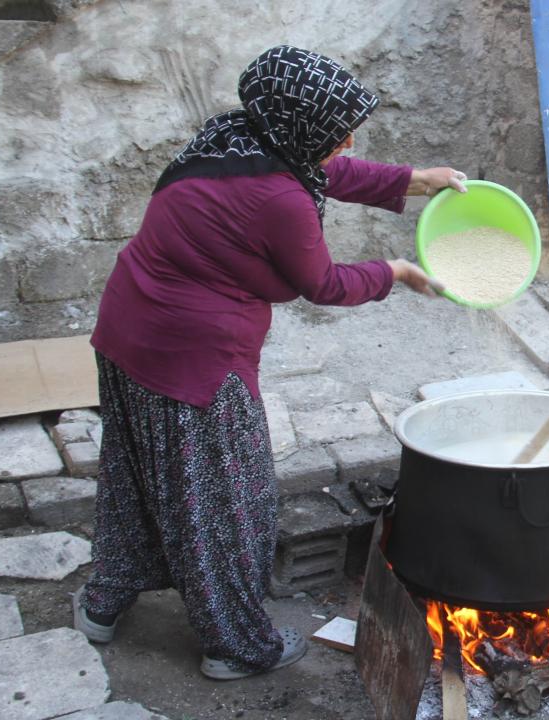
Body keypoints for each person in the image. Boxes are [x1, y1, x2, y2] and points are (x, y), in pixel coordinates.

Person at [72, 45, 465, 681]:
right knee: (224, 504)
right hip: (192, 361)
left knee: (138, 478)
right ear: (298, 127)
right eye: (338, 131)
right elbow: (324, 283)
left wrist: (416, 180)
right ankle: (234, 646)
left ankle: (102, 605)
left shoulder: (233, 138)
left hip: (127, 330)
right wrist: (394, 271)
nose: (348, 141)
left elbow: (323, 170)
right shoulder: (280, 199)